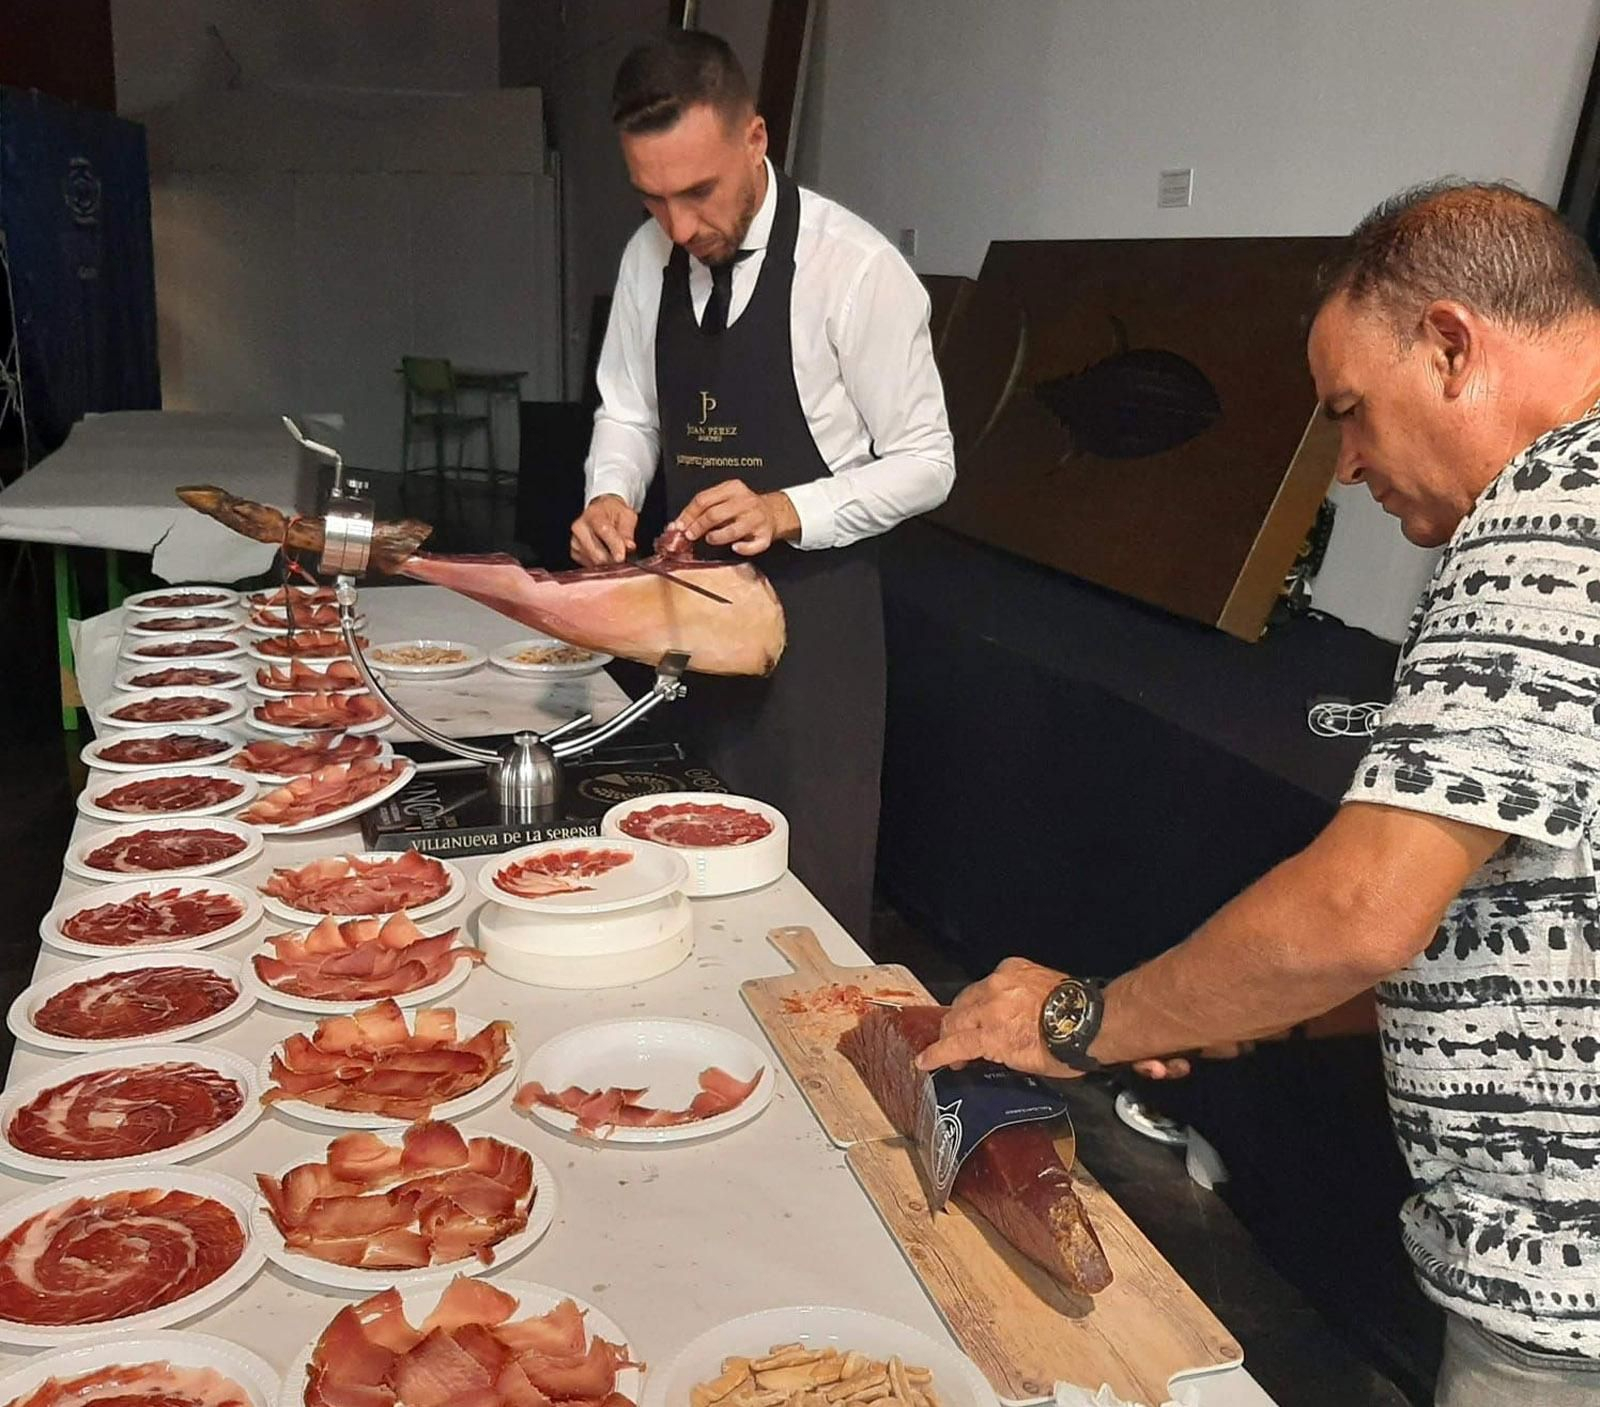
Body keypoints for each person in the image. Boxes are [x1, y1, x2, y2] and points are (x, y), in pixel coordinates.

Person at [917, 182, 1600, 1407]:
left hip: (1561, 1297)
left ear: (1450, 346)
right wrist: (1215, 1005)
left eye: (1350, 412)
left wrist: (1080, 1022)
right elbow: (1541, 911)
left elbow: (1362, 912)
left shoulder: (1546, 524)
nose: (1341, 465)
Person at [569, 29, 954, 940]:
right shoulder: (645, 259)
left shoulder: (854, 271)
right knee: (669, 881)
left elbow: (929, 459)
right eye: (651, 197)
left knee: (804, 909)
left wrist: (788, 510)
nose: (677, 227)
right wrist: (610, 492)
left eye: (697, 192)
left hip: (814, 641)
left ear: (756, 140)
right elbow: (628, 408)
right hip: (682, 619)